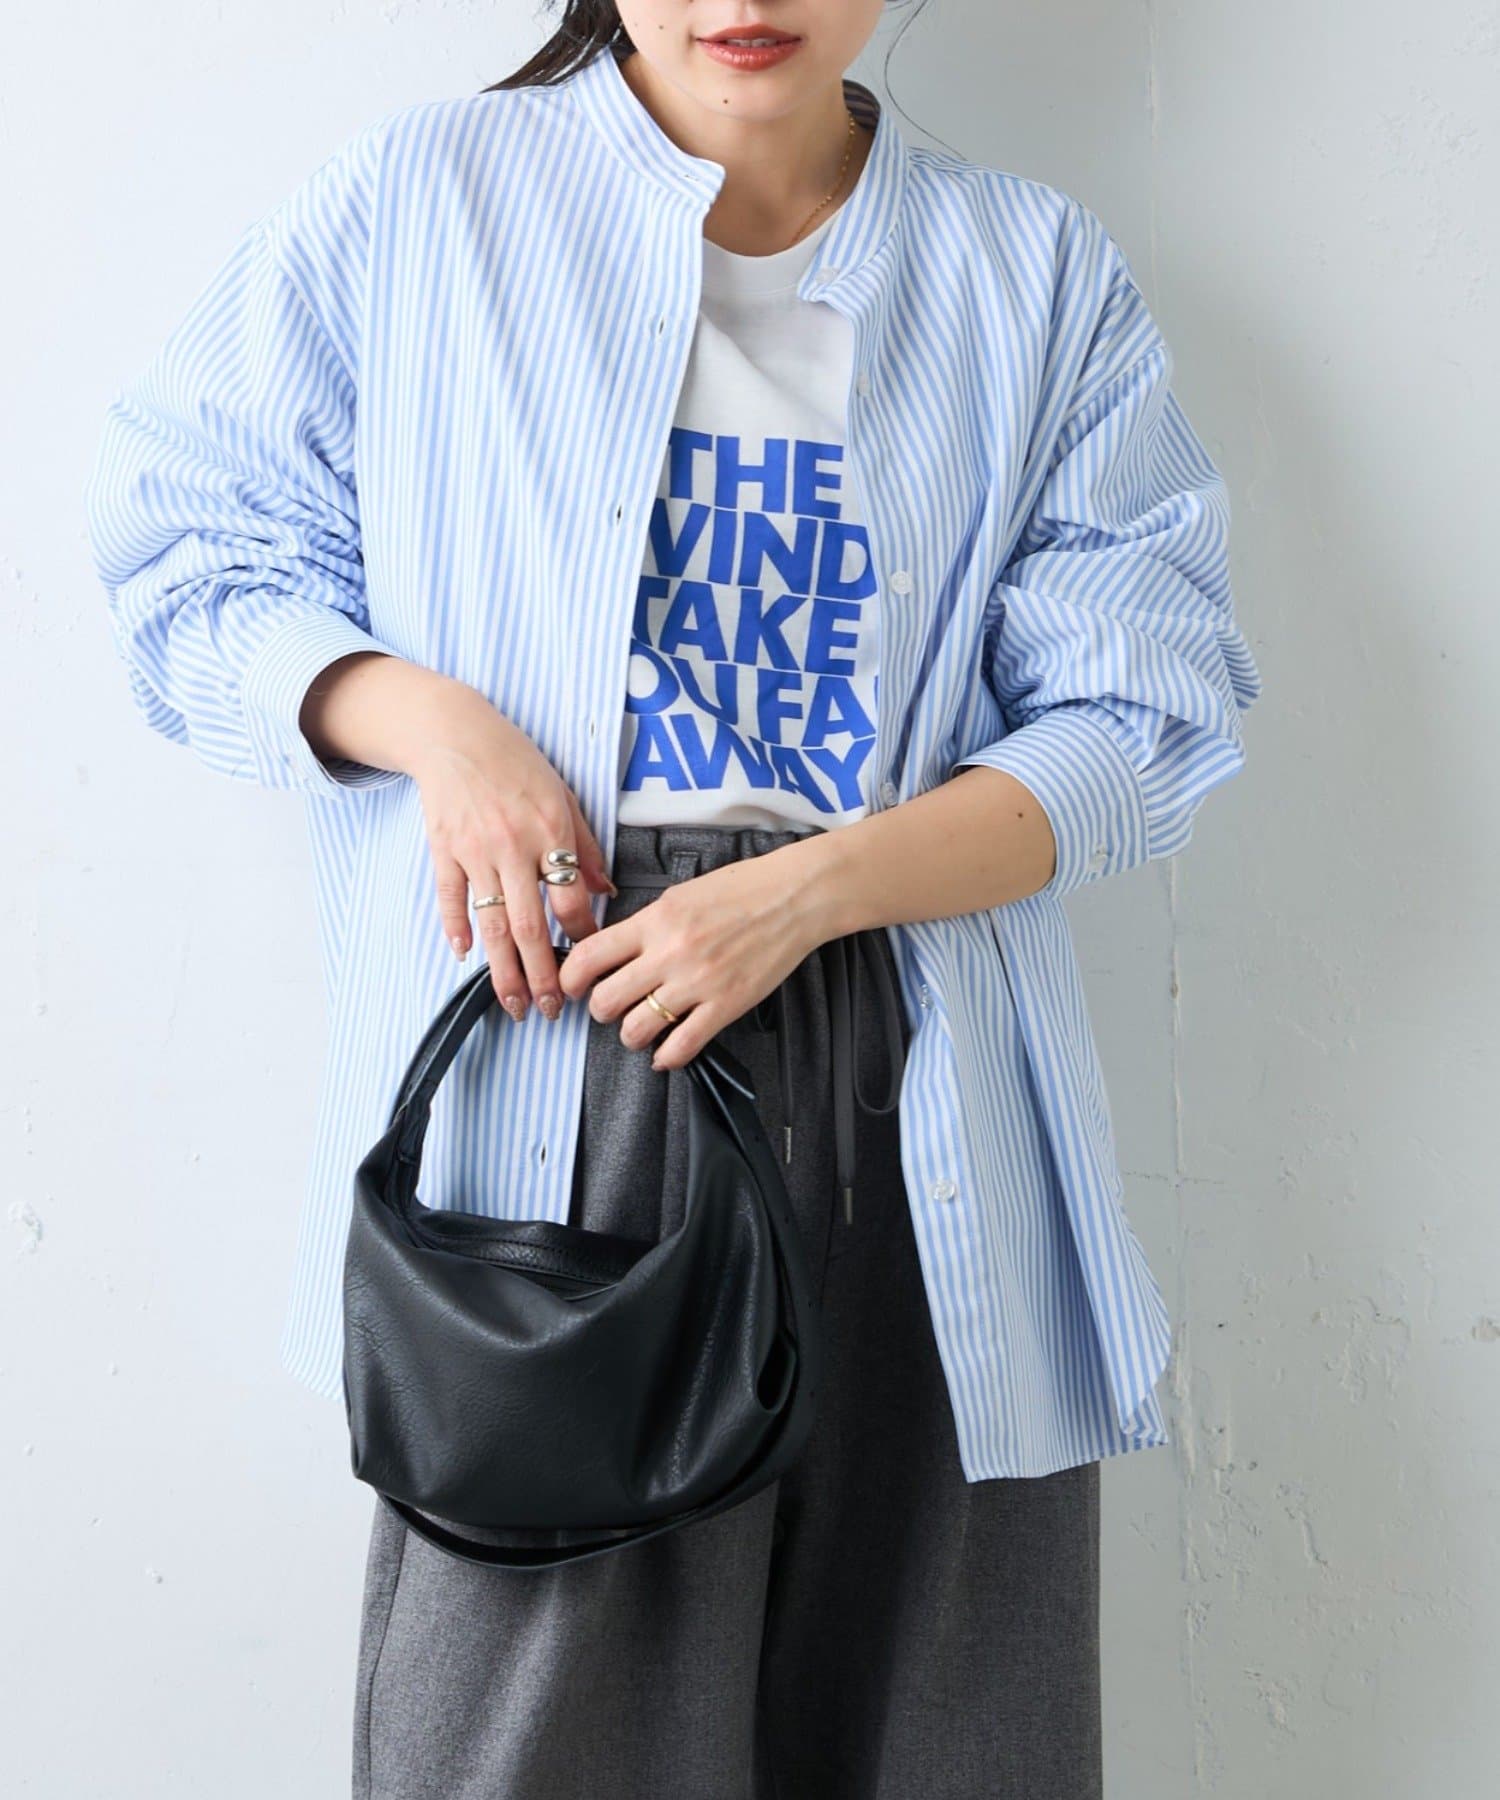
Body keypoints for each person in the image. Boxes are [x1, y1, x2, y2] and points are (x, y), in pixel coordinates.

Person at [82, 3, 1263, 1794]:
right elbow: (184, 546)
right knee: (532, 1736)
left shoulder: (1030, 273)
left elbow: (1144, 713)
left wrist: (809, 891)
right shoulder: (426, 203)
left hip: (915, 1083)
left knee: (939, 1730)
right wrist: (440, 732)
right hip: (570, 1045)